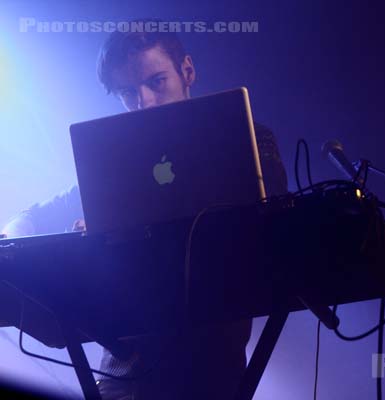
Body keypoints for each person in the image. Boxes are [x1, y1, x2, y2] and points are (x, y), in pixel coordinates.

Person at [1, 26, 288, 399]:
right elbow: (32, 215)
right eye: (127, 92)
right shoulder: (112, 164)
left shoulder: (246, 140)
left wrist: (120, 224)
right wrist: (11, 239)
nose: (144, 101)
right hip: (122, 372)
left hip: (210, 368)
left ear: (187, 71)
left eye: (156, 81)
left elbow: (265, 220)